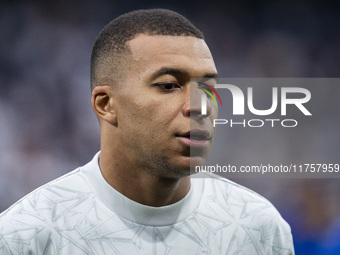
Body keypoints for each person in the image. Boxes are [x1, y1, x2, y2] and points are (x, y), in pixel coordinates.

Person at [0, 9, 294, 254]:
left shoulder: (259, 228)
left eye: (209, 88)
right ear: (106, 104)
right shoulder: (26, 237)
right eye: (168, 85)